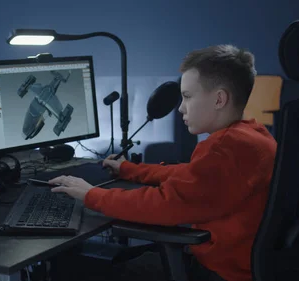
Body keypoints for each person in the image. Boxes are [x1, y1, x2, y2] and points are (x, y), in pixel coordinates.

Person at [48, 44, 277, 281]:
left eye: (187, 96)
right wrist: (129, 169)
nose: (180, 108)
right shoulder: (253, 135)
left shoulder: (223, 149)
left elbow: (163, 204)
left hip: (217, 271)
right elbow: (190, 175)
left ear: (219, 99)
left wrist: (91, 195)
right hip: (237, 261)